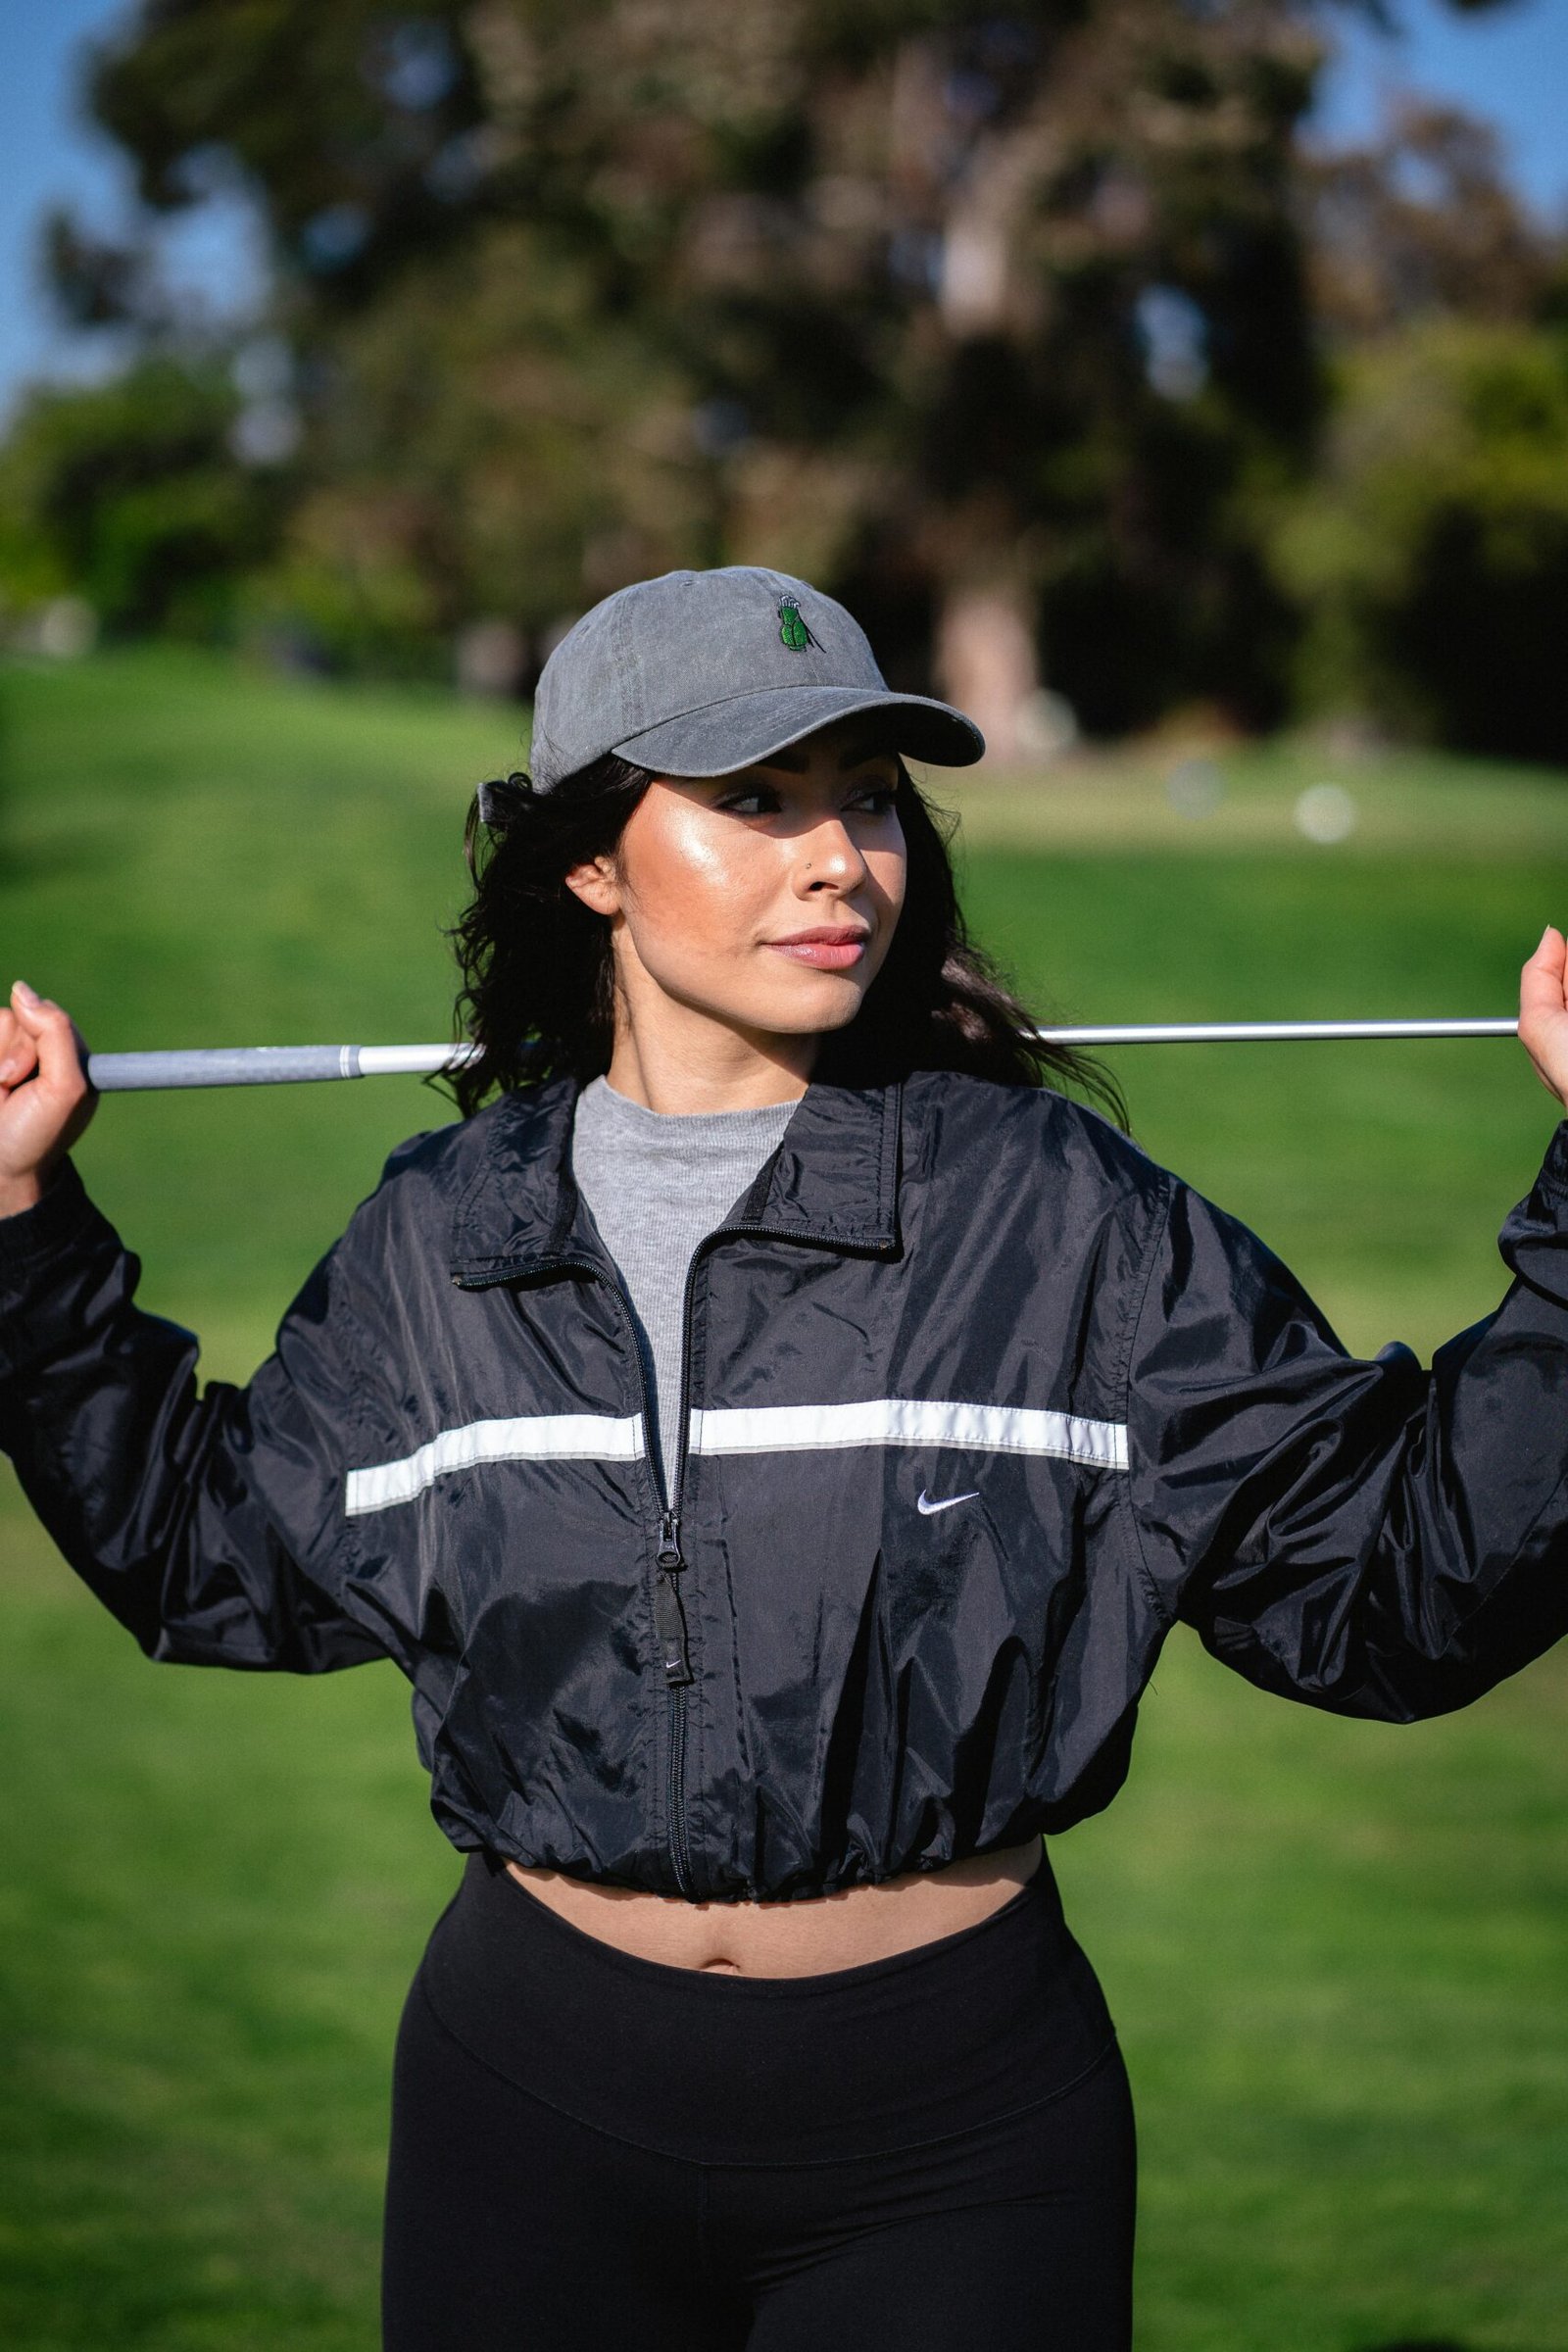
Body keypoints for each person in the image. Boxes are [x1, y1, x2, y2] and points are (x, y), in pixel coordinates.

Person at [0, 564, 1565, 2352]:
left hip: (954, 2141)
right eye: (755, 801)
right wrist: (22, 1221)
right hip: (524, 2111)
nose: (842, 859)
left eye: (871, 800)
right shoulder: (444, 1239)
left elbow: (1402, 1593)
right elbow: (217, 1557)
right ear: (592, 858)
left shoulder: (1062, 1222)